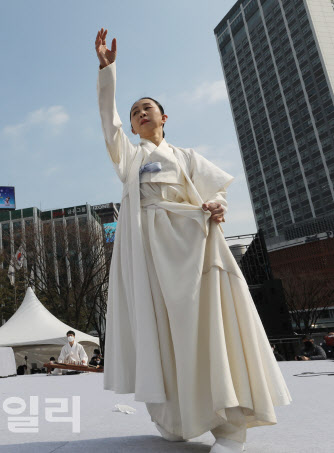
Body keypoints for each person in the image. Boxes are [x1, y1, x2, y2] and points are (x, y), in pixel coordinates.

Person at [95, 28, 291, 453]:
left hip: (193, 247)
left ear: (165, 117)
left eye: (147, 108)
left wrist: (217, 205)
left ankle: (230, 428)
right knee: (165, 335)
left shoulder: (186, 157)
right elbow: (108, 126)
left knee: (209, 327)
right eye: (134, 113)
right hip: (150, 255)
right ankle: (180, 417)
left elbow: (215, 192)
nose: (139, 114)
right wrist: (108, 72)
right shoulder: (131, 158)